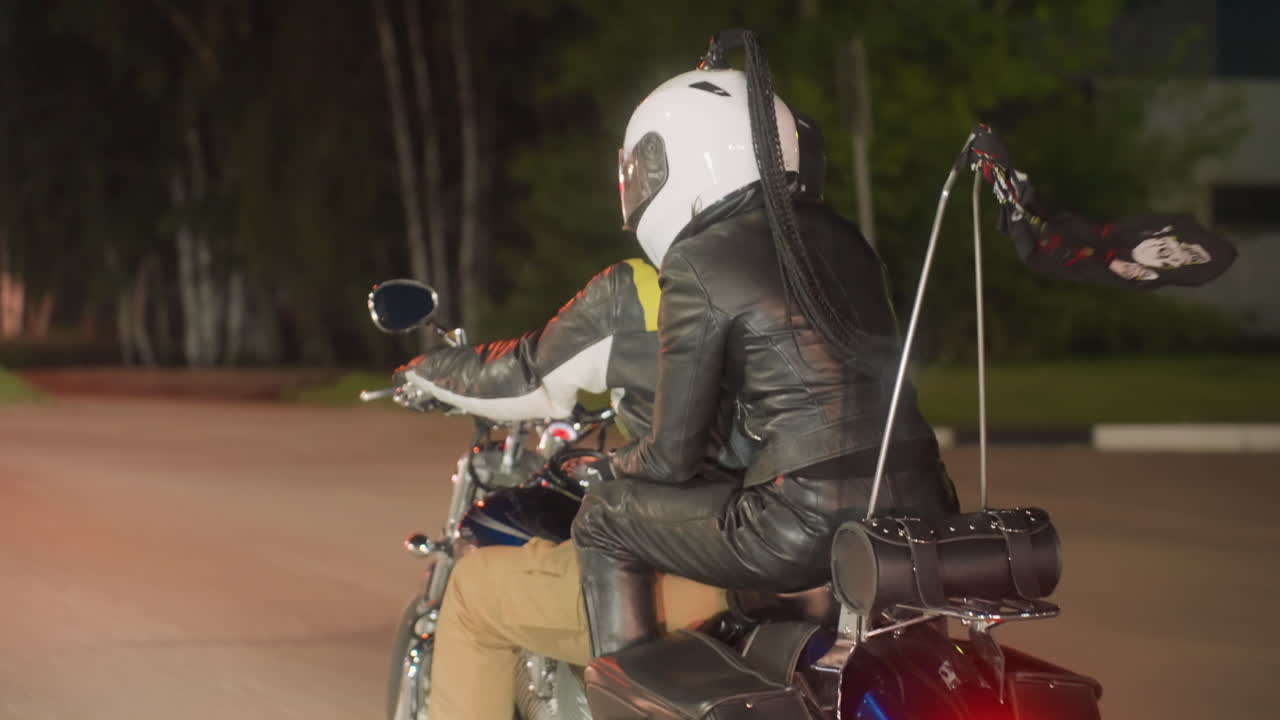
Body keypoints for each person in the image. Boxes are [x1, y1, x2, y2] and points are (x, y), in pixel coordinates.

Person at [570, 34, 958, 659]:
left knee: (603, 518)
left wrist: (611, 467)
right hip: (926, 500)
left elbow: (673, 457)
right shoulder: (844, 236)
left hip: (805, 524)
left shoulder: (700, 260)